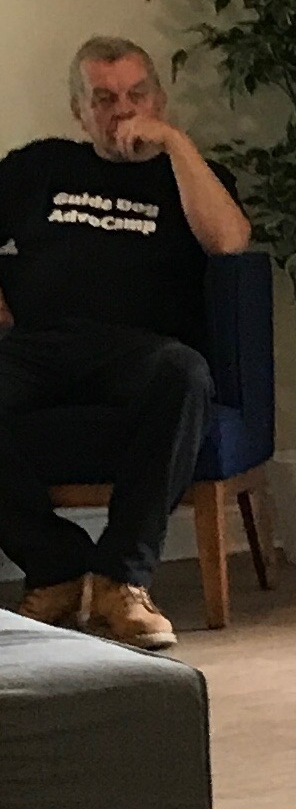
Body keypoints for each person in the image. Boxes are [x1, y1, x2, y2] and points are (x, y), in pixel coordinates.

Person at [0, 38, 252, 652]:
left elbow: (230, 244)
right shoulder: (39, 166)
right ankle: (56, 567)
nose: (122, 110)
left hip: (142, 353)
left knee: (184, 373)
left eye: (137, 95)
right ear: (78, 110)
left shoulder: (186, 173)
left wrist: (175, 144)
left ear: (159, 99)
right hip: (39, 347)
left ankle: (122, 581)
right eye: (104, 99)